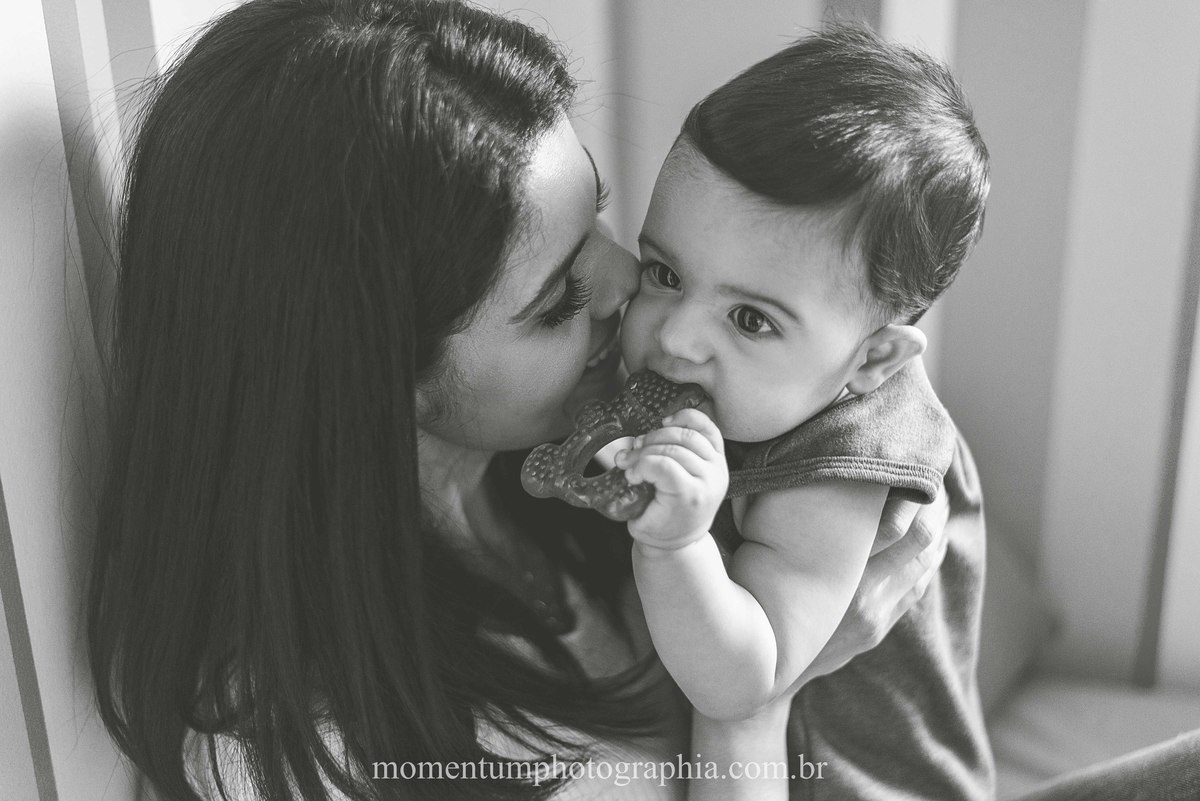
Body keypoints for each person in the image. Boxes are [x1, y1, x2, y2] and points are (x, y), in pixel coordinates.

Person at [85, 2, 951, 800]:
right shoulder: (307, 747)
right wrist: (754, 706)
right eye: (557, 300)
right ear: (379, 382)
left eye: (602, 222)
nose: (627, 290)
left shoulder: (603, 458)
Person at [614, 27, 993, 800]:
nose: (677, 337)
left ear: (871, 362)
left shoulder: (848, 460)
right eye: (663, 272)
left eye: (751, 320)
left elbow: (742, 683)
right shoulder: (753, 389)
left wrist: (676, 545)